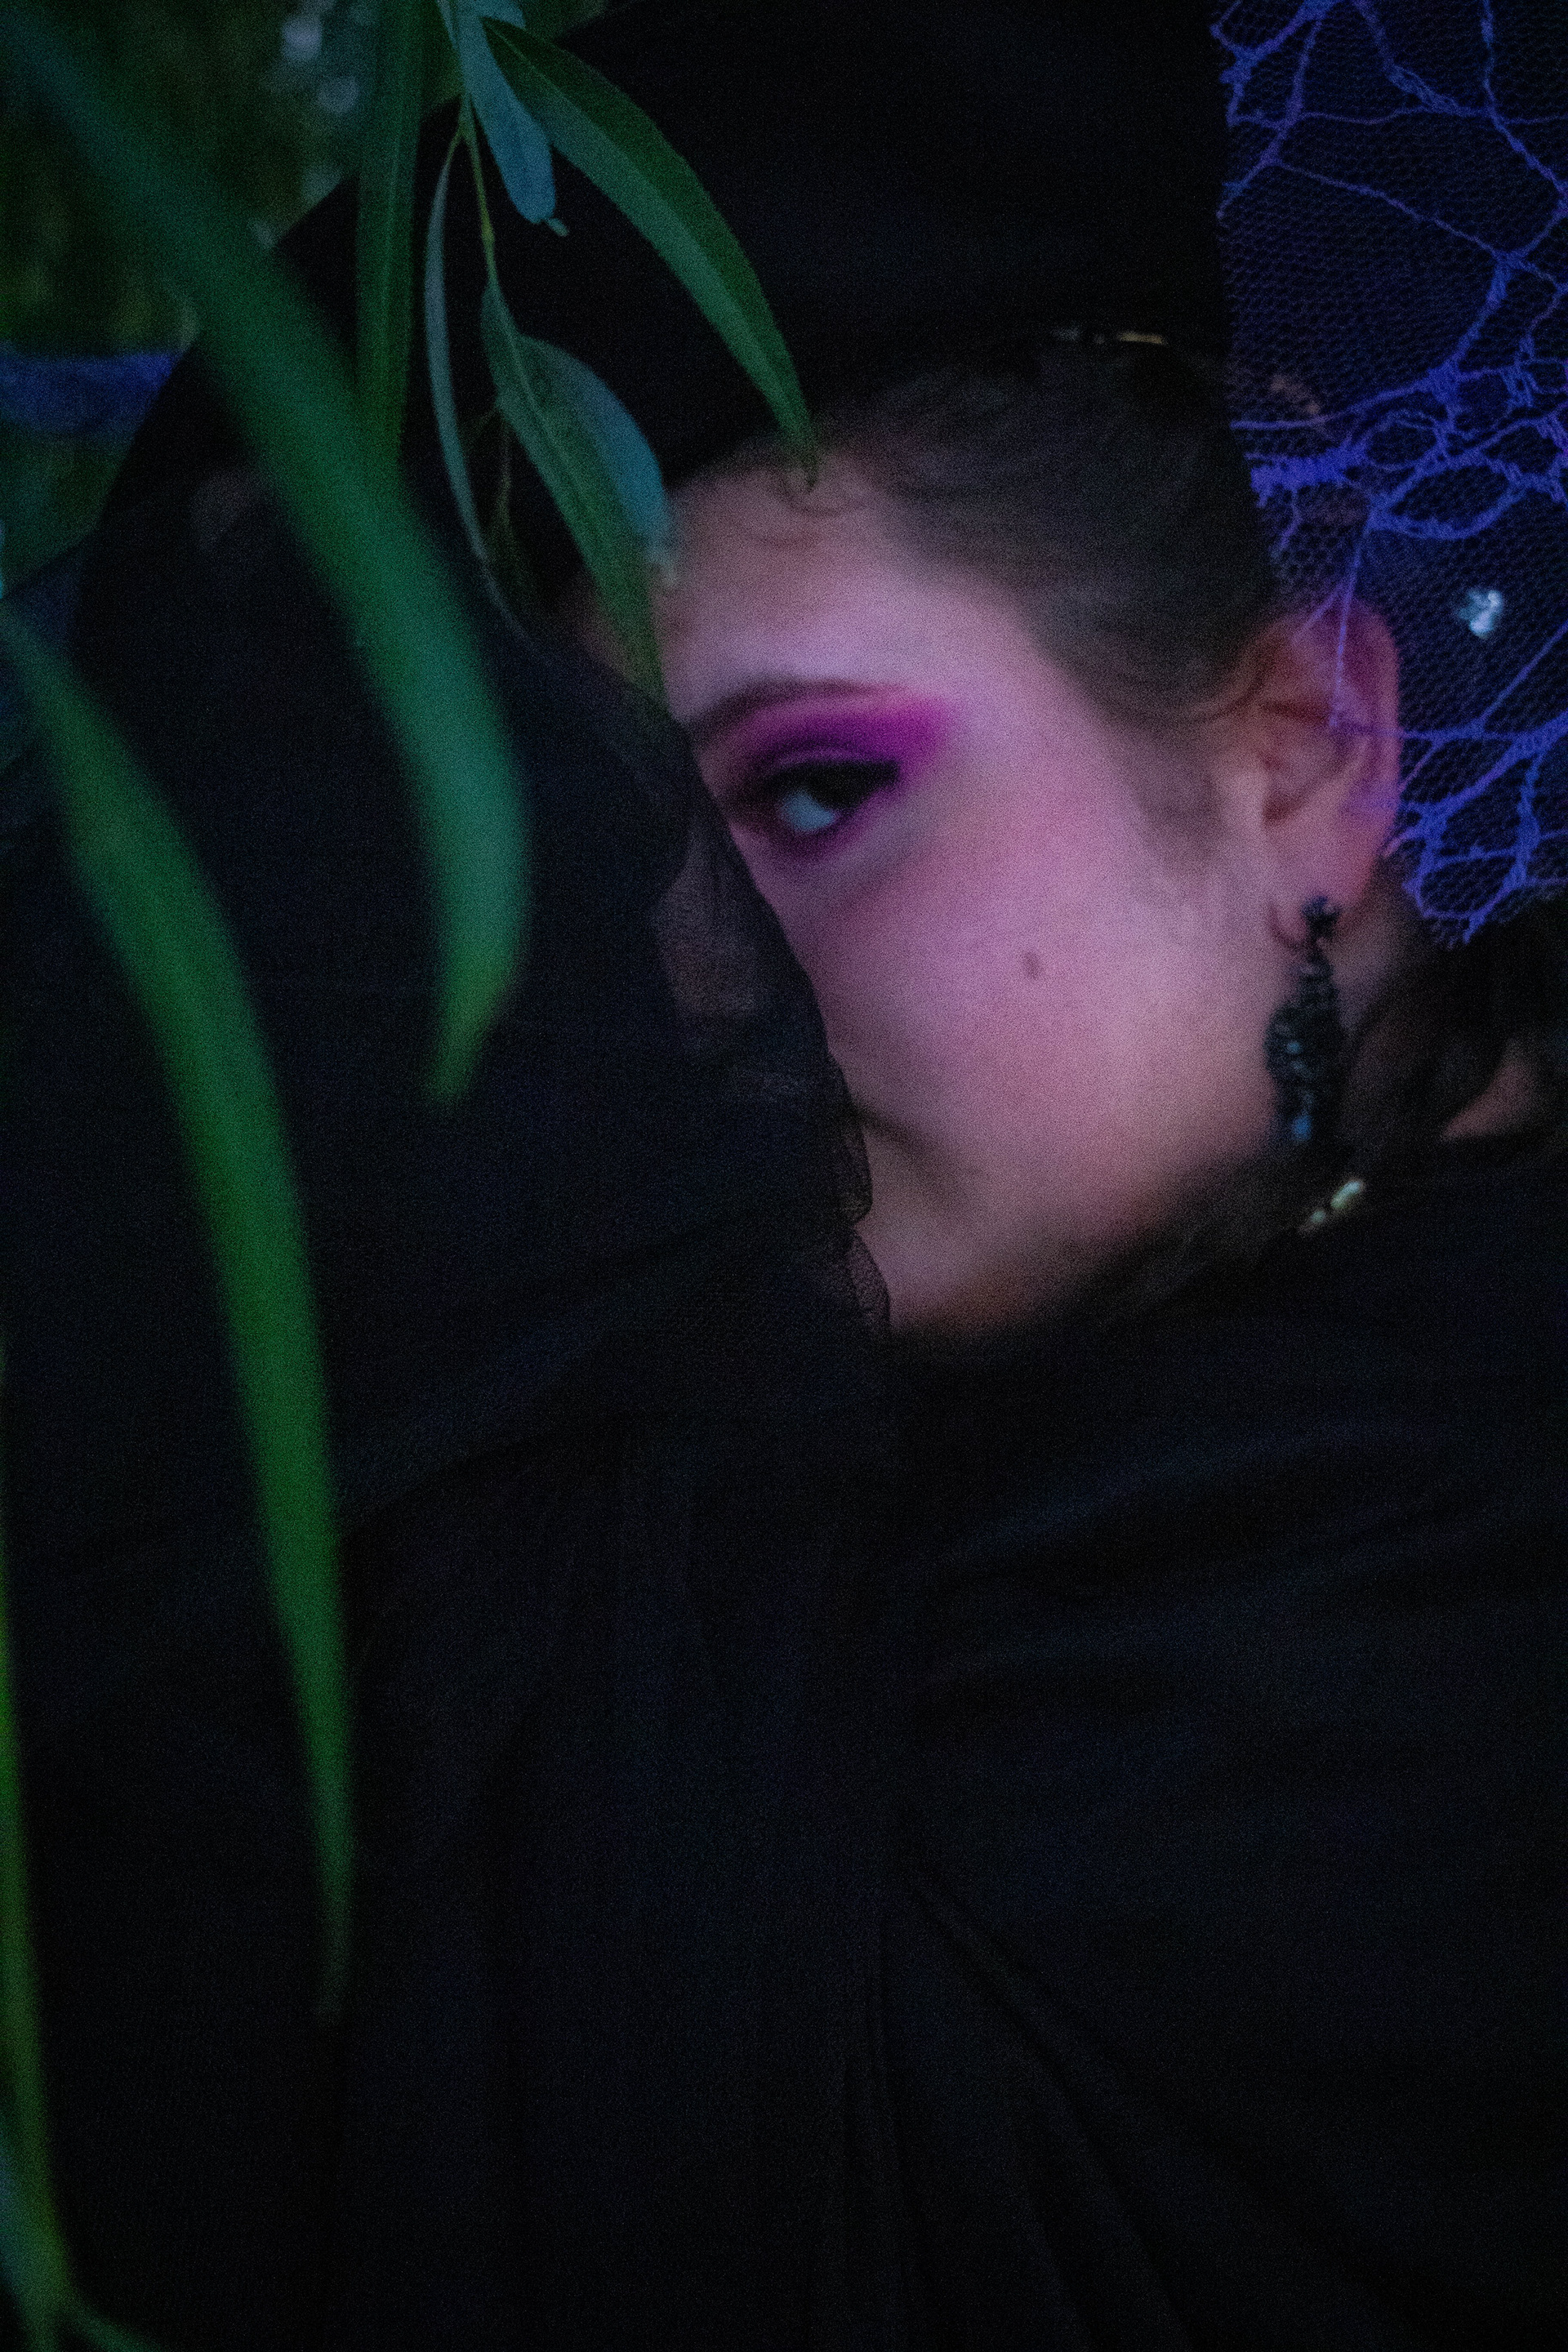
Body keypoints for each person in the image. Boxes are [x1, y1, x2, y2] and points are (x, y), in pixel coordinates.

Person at [2, 2, 1562, 2347]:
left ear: (1307, 748)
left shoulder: (1435, 1652)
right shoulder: (758, 1509)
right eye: (590, 885)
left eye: (816, 794)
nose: (689, 998)